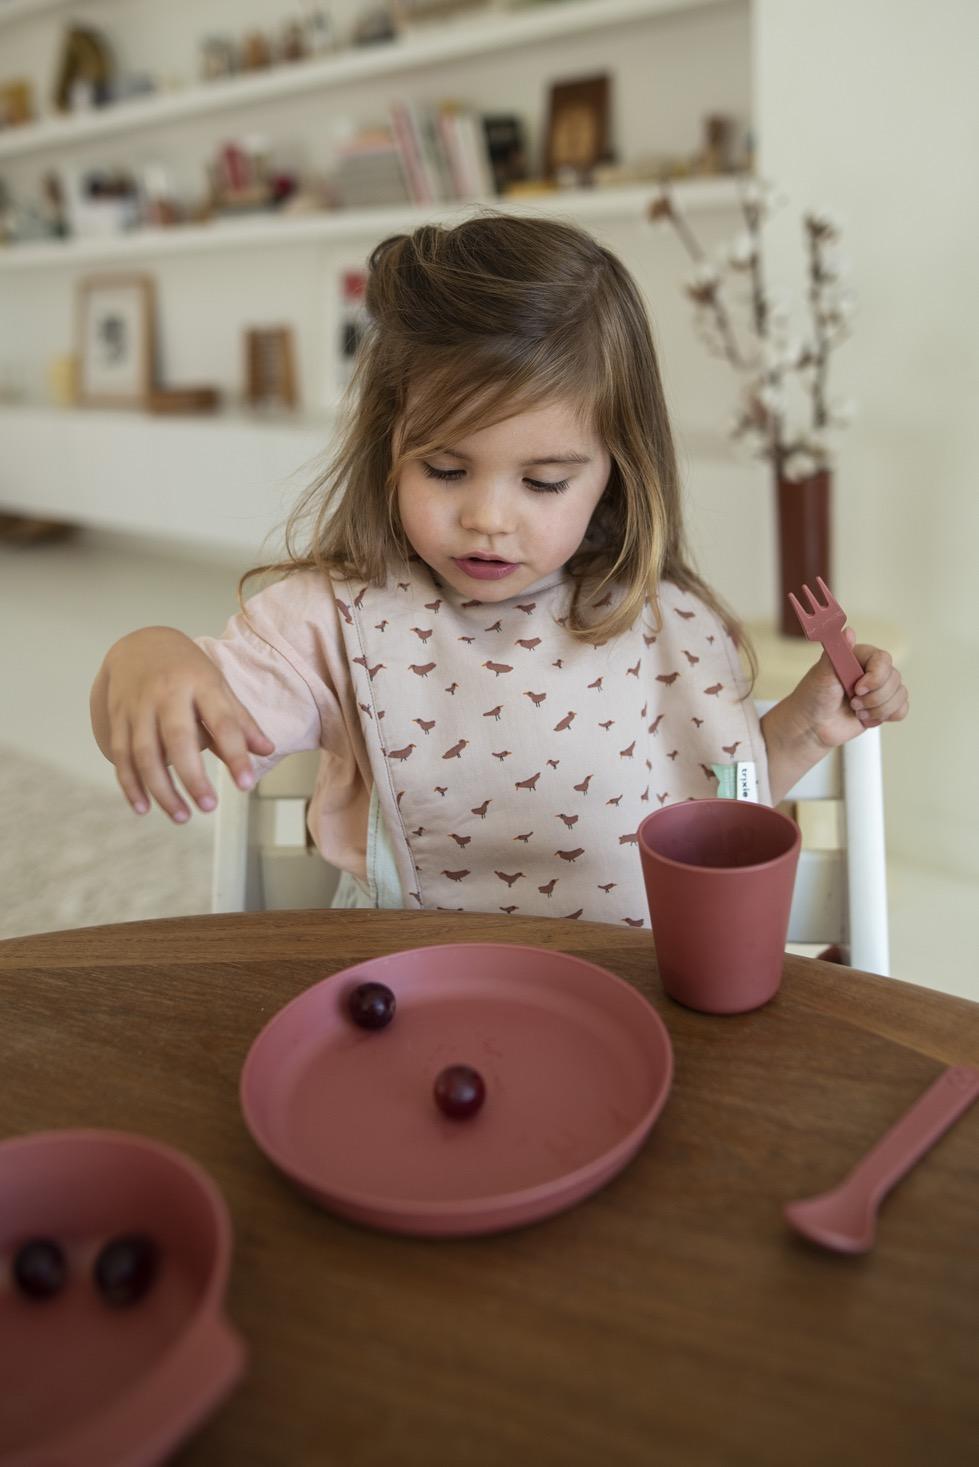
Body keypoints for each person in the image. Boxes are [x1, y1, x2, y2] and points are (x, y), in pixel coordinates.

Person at [90, 213, 908, 925]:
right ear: (389, 448)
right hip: (405, 991)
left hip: (635, 1000)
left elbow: (724, 798)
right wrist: (148, 658)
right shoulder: (332, 620)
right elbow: (199, 719)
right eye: (444, 470)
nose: (486, 516)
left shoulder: (671, 624)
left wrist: (805, 726)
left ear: (615, 470)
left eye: (542, 482)